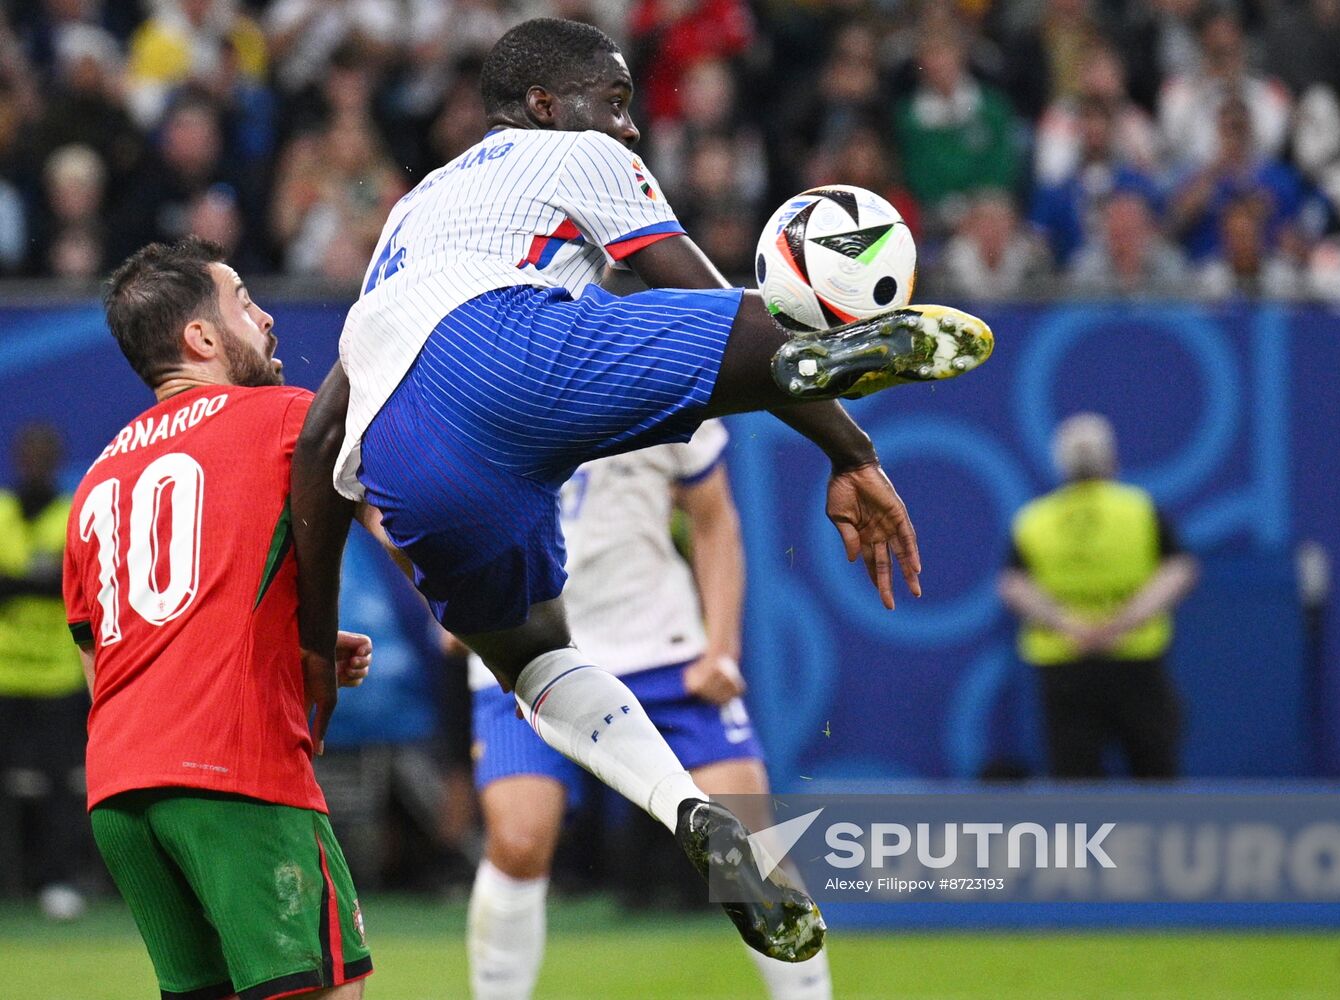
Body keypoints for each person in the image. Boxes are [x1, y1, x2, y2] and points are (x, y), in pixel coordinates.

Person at [290, 17, 994, 962]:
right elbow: (688, 281)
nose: (627, 128)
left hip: (405, 455)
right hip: (499, 350)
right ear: (545, 106)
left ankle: (688, 812)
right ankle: (829, 357)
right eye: (615, 102)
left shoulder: (406, 217)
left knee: (535, 661)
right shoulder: (571, 153)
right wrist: (851, 454)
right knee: (726, 334)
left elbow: (317, 442)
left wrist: (305, 649)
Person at [63, 238, 375, 1000]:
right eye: (242, 299)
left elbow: (103, 659)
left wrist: (280, 636)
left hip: (121, 794)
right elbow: (399, 520)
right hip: (234, 775)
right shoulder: (282, 417)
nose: (266, 319)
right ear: (200, 338)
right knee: (326, 988)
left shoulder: (98, 475)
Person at [465, 421, 832, 999]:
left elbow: (714, 520)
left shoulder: (657, 370)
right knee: (517, 840)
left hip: (662, 650)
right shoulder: (486, 379)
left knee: (749, 835)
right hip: (532, 651)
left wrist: (722, 649)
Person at [998, 413, 1198, 779]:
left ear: (1059, 463)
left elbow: (1015, 586)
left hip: (1064, 659)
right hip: (1134, 656)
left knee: (1075, 784)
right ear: (1111, 459)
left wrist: (1069, 626)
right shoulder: (1139, 508)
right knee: (1153, 775)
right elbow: (1178, 571)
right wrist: (1121, 624)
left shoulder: (1034, 519)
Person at [0, 424, 89, 919]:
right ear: (17, 460)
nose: (34, 465)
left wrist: (19, 583)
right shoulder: (2, 513)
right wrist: (41, 581)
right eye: (27, 457)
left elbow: (76, 584)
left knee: (61, 785)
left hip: (57, 676)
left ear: (54, 462)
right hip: (4, 673)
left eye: (43, 457)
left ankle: (57, 881)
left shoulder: (71, 514)